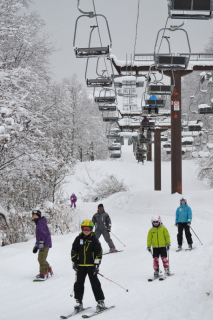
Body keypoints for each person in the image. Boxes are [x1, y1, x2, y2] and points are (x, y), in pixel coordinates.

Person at [71, 220, 105, 313]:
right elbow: (74, 251)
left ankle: (100, 302)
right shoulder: (78, 239)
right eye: (84, 229)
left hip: (91, 266)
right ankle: (78, 302)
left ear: (91, 229)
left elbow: (98, 253)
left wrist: (96, 265)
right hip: (81, 266)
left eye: (88, 229)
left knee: (95, 284)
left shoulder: (94, 240)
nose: (86, 231)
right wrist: (74, 262)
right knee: (78, 284)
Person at [32, 210, 53, 279]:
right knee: (41, 259)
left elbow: (43, 234)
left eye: (35, 215)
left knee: (41, 259)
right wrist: (36, 245)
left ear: (39, 216)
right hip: (44, 243)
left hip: (45, 243)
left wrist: (41, 243)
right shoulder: (39, 223)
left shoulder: (40, 223)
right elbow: (39, 236)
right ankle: (49, 270)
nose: (34, 216)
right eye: (33, 215)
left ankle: (43, 274)